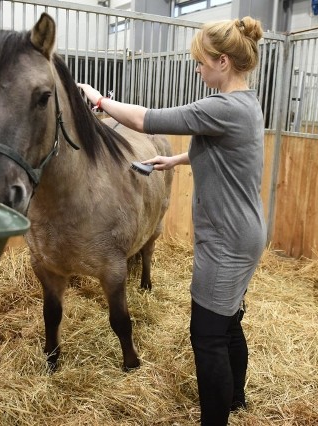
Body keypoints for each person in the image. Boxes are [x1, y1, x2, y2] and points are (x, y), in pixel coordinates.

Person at [78, 16, 266, 426]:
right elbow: (230, 153)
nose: (197, 69)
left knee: (208, 336)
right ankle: (236, 399)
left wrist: (99, 101)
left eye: (200, 61)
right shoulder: (247, 105)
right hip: (245, 231)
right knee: (229, 322)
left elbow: (147, 120)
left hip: (227, 241)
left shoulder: (221, 106)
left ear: (222, 62)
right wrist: (178, 158)